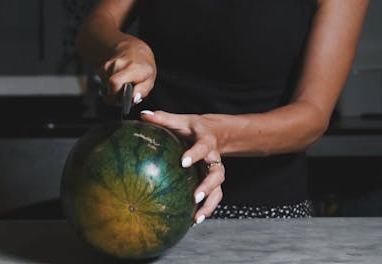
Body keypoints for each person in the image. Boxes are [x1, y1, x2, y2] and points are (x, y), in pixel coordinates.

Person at [75, 0, 369, 223]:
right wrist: (124, 46)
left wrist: (214, 135)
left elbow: (312, 116)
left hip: (261, 212)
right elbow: (96, 26)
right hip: (140, 197)